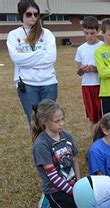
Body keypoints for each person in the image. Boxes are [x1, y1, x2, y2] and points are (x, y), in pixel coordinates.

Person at [7, 0, 58, 128]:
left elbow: (51, 58)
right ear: (21, 15)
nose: (33, 17)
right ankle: (38, 148)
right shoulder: (14, 35)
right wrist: (40, 53)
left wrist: (27, 60)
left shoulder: (47, 34)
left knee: (50, 120)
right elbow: (17, 59)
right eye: (29, 14)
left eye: (36, 14)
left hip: (48, 84)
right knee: (35, 122)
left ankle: (49, 147)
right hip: (27, 84)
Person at [31, 99, 81, 208]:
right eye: (57, 121)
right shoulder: (41, 145)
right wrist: (74, 192)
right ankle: (48, 199)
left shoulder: (66, 136)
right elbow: (53, 177)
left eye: (62, 119)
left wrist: (79, 184)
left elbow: (74, 160)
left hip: (72, 184)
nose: (61, 124)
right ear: (44, 122)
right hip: (55, 189)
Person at [75, 16, 103, 127]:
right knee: (92, 117)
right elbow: (78, 72)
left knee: (102, 115)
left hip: (101, 85)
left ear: (98, 31)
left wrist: (95, 69)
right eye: (86, 33)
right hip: (87, 86)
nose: (89, 36)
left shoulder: (102, 46)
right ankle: (95, 141)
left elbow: (107, 67)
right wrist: (82, 70)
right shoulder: (81, 49)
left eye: (92, 33)